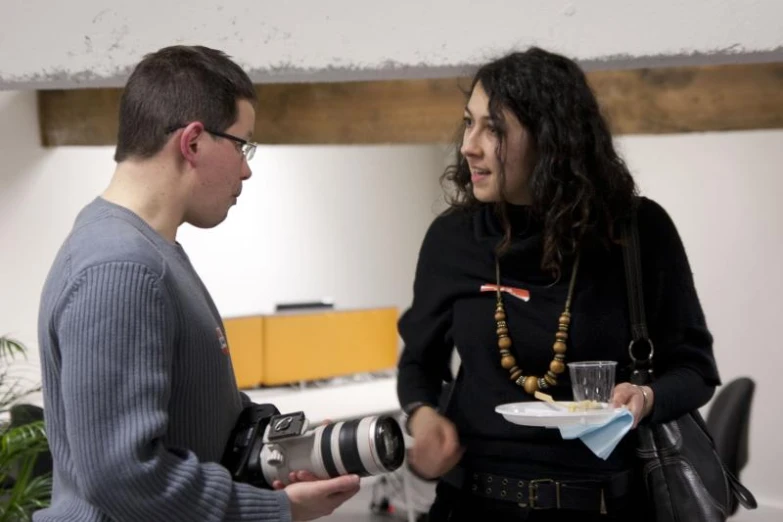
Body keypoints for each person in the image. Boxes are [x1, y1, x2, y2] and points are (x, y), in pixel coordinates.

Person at [35, 45, 360, 522]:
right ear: (192, 142)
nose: (247, 168)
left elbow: (195, 410)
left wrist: (286, 442)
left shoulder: (147, 251)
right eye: (242, 145)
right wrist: (273, 511)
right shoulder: (121, 268)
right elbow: (124, 476)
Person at [396, 47, 720, 521]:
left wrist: (645, 398)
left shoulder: (637, 231)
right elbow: (418, 364)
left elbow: (695, 368)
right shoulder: (453, 238)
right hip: (473, 504)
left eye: (495, 129)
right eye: (470, 122)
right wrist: (424, 417)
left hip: (606, 504)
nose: (469, 145)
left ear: (552, 139)